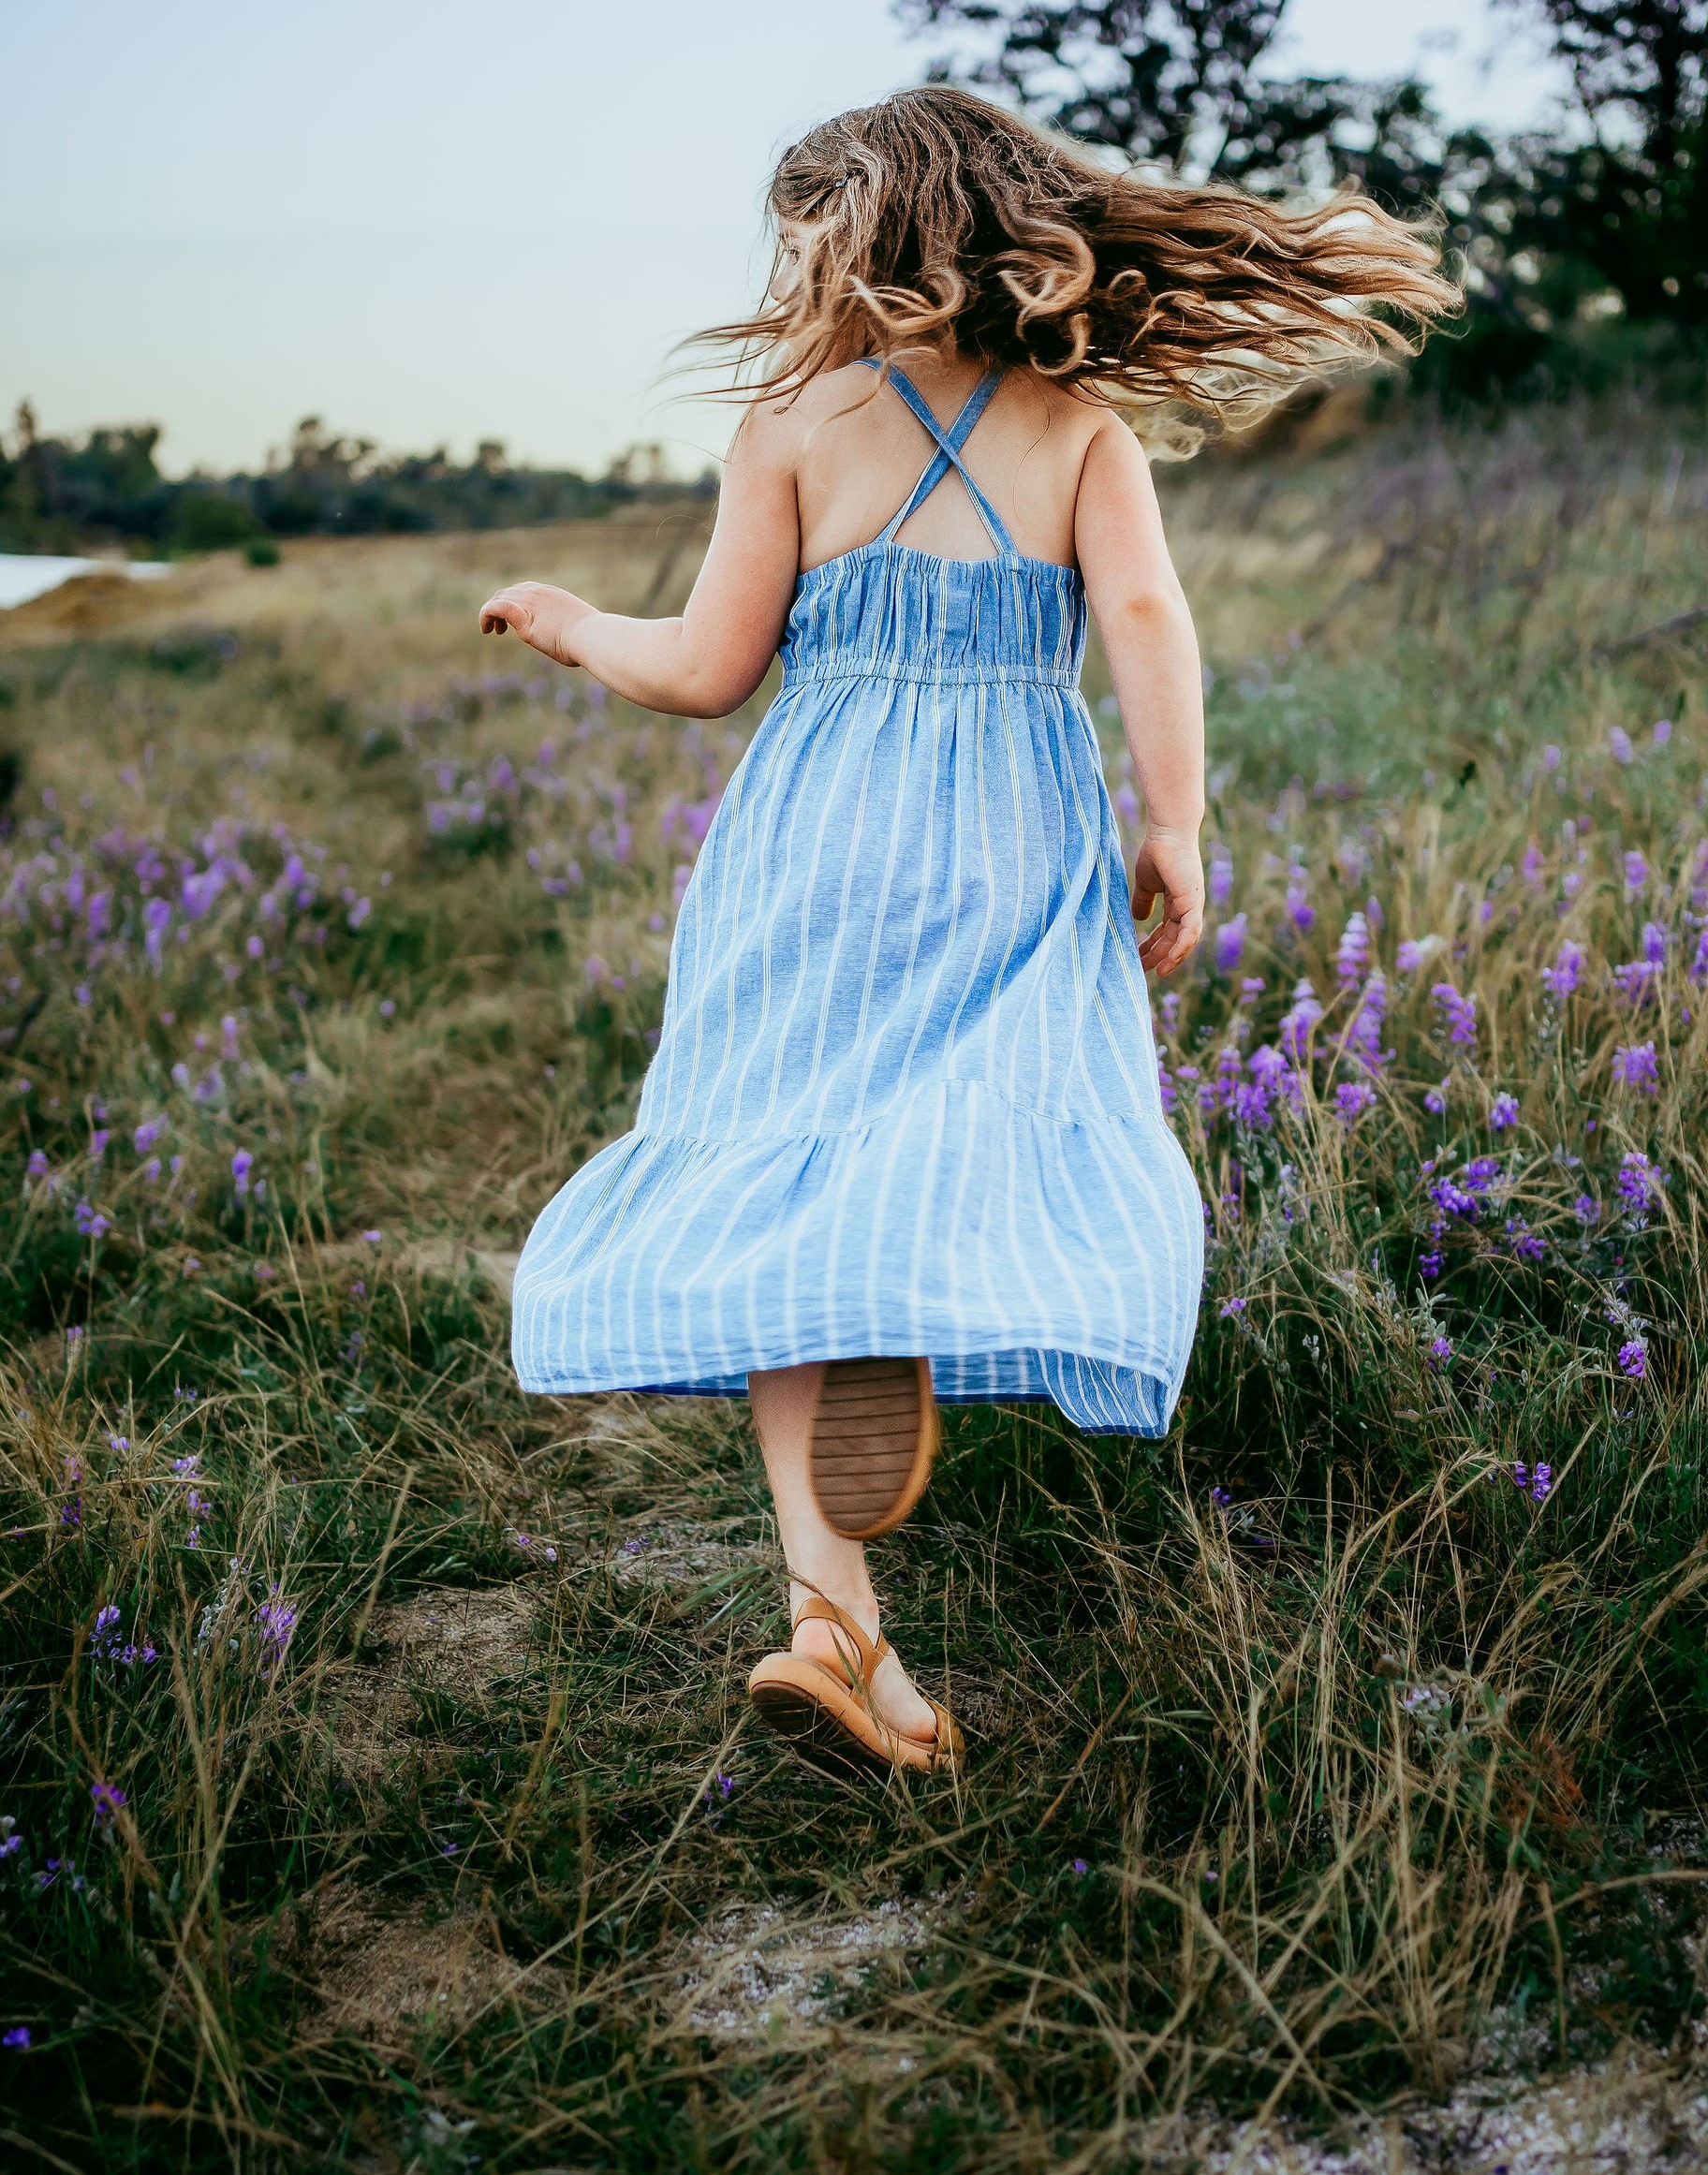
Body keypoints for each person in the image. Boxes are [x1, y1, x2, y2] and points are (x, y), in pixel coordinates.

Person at [480, 87, 1455, 1780]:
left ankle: (830, 1613)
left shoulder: (792, 423)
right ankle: (891, 1370)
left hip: (813, 848)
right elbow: (1147, 617)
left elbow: (711, 672)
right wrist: (1174, 823)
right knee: (983, 1110)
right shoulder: (1078, 424)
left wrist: (574, 627)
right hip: (1008, 837)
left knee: (785, 1137)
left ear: (861, 240)